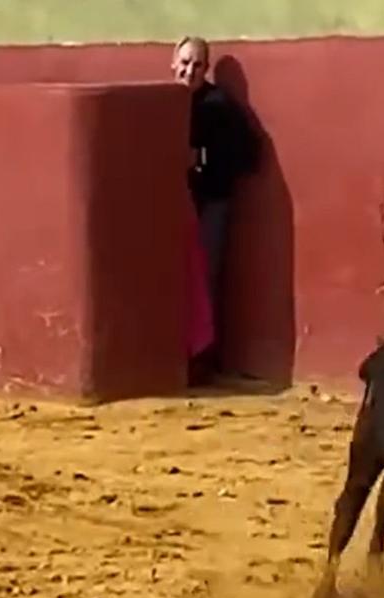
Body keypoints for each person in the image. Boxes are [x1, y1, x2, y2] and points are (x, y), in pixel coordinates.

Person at [171, 36, 261, 383]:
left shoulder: (219, 106)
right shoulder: (165, 102)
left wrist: (202, 159)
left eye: (196, 65)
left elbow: (249, 155)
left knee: (203, 277)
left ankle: (201, 362)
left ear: (205, 70)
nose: (189, 70)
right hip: (178, 205)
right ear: (172, 63)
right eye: (184, 62)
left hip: (210, 202)